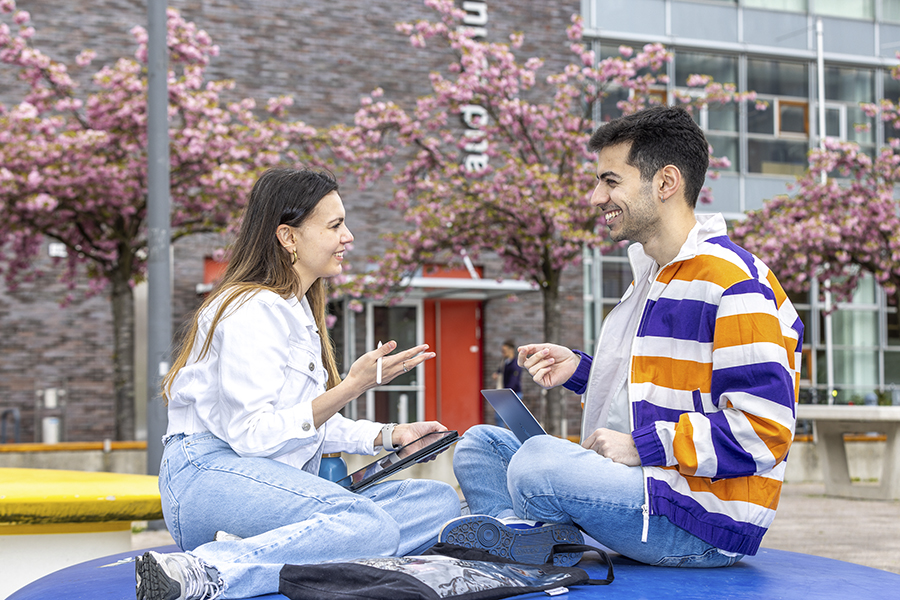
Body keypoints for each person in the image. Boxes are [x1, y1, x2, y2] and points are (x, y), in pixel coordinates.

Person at [441, 106, 803, 568]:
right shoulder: (650, 278)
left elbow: (766, 431)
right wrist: (582, 372)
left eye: (610, 181)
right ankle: (524, 538)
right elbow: (657, 390)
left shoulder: (733, 282)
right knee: (480, 446)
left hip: (700, 519)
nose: (596, 197)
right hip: (646, 487)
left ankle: (529, 535)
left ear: (665, 183)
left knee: (538, 465)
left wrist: (642, 447)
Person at [135, 168, 461, 600]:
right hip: (207, 475)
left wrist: (390, 435)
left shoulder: (296, 309)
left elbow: (300, 420)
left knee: (436, 501)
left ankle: (306, 550)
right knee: (368, 524)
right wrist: (351, 386)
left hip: (270, 478)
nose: (349, 237)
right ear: (288, 237)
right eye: (335, 225)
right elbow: (254, 435)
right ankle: (208, 569)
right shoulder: (252, 308)